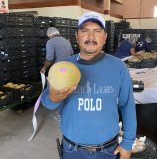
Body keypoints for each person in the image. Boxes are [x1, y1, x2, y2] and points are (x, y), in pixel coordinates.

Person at [41, 11, 137, 159]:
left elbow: (127, 106)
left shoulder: (118, 67)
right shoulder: (63, 66)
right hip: (72, 150)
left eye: (97, 31)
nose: (91, 37)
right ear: (77, 36)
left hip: (108, 151)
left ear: (105, 37)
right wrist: (53, 98)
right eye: (85, 31)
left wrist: (128, 142)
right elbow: (47, 102)